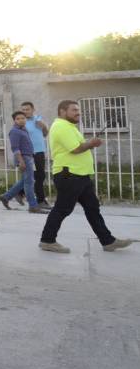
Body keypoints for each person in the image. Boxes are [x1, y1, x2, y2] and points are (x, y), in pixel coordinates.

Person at [39, 100, 134, 254]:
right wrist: (92, 143)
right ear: (63, 111)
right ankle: (47, 240)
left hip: (80, 175)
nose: (78, 112)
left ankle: (108, 241)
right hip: (69, 175)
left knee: (92, 208)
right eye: (74, 110)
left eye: (78, 110)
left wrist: (89, 144)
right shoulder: (61, 126)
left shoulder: (70, 127)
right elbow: (76, 149)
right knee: (62, 209)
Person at [0, 111, 48, 214]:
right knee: (29, 182)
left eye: (23, 118)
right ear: (14, 120)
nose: (21, 120)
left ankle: (6, 197)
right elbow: (15, 148)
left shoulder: (23, 129)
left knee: (25, 181)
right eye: (18, 119)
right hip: (23, 158)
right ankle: (33, 206)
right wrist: (21, 161)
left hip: (29, 157)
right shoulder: (14, 131)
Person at [20, 101, 50, 207]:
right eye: (23, 110)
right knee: (35, 176)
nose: (25, 111)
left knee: (38, 176)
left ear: (33, 110)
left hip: (40, 151)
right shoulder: (21, 122)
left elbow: (45, 134)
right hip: (29, 153)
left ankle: (19, 193)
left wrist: (44, 127)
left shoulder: (38, 118)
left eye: (27, 109)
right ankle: (41, 200)